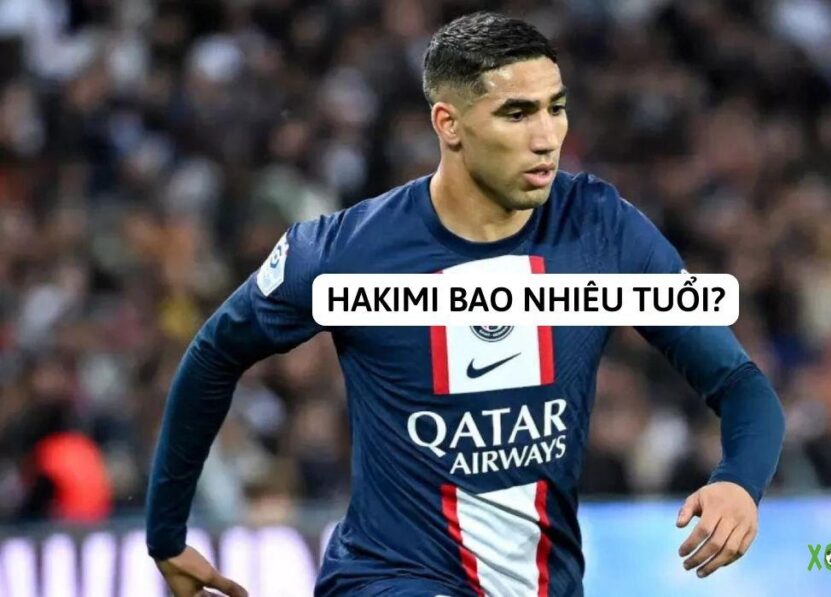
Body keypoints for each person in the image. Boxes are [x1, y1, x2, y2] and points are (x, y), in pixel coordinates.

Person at [146, 12, 785, 597]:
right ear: (448, 124)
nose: (547, 137)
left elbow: (738, 383)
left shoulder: (600, 228)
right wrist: (167, 533)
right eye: (517, 113)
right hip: (388, 579)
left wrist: (739, 480)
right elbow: (214, 355)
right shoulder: (346, 252)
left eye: (556, 108)